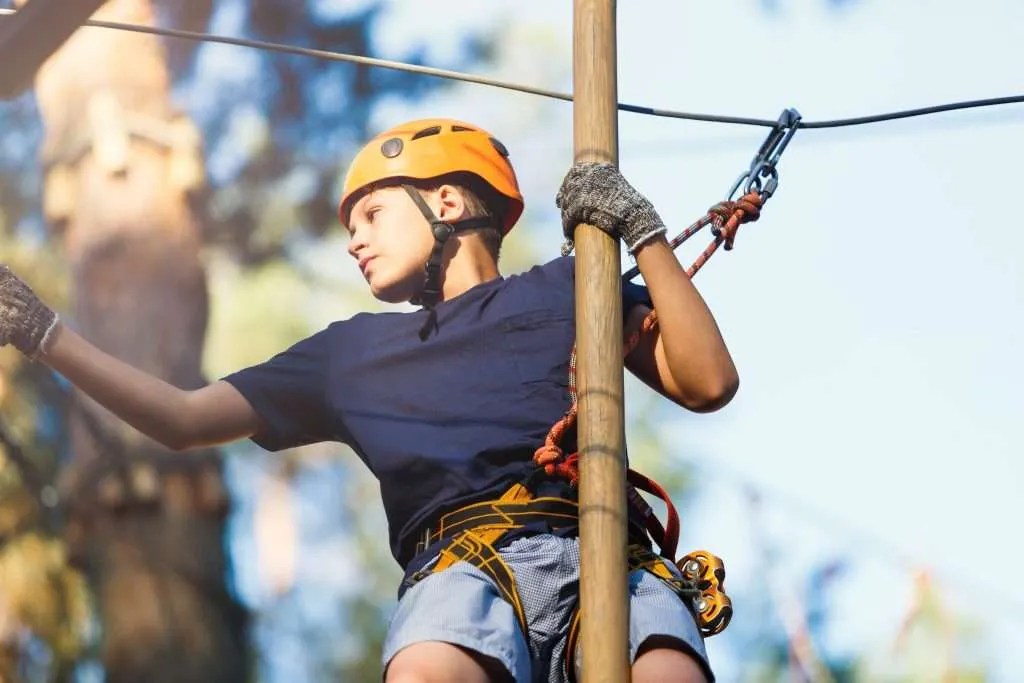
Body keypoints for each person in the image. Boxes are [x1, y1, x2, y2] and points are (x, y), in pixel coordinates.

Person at [0, 118, 738, 683]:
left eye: (371, 215)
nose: (354, 241)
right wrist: (45, 334)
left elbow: (708, 380)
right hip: (466, 575)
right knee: (425, 672)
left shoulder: (569, 288)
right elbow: (183, 418)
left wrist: (639, 232)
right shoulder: (350, 355)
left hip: (608, 550)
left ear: (446, 200)